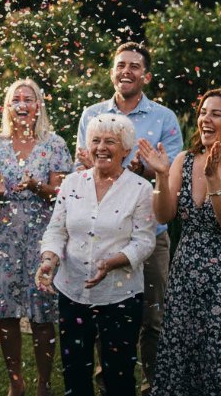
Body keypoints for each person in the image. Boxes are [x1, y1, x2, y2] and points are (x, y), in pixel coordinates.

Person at [137, 88, 221, 396]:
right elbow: (164, 215)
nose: (205, 119)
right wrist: (160, 176)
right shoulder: (185, 159)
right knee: (179, 358)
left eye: (215, 114)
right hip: (186, 275)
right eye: (203, 113)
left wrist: (212, 180)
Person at [76, 41, 182, 394]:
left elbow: (173, 172)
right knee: (105, 316)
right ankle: (110, 386)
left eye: (134, 66)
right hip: (103, 234)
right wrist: (116, 169)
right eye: (121, 65)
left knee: (153, 318)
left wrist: (146, 173)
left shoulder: (164, 118)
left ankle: (155, 386)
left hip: (151, 233)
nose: (126, 71)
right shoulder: (91, 114)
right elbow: (84, 169)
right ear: (112, 72)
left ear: (146, 75)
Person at [36, 113, 157, 396]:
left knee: (118, 376)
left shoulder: (140, 189)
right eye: (96, 141)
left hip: (120, 296)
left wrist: (115, 261)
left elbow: (144, 241)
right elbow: (56, 230)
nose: (101, 147)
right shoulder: (72, 183)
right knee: (75, 372)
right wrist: (49, 260)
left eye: (110, 141)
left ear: (126, 149)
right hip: (72, 291)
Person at [0, 78, 72, 396]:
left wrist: (36, 185)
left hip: (41, 233)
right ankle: (15, 382)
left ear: (38, 106)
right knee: (7, 311)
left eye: (28, 98)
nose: (22, 103)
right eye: (16, 98)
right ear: (7, 106)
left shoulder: (54, 143)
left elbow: (61, 193)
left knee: (42, 310)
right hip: (3, 232)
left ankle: (44, 383)